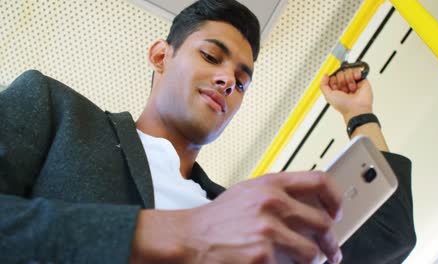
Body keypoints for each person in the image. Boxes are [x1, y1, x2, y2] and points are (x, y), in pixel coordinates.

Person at [0, 0, 416, 263]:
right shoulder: (55, 109)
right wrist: (183, 232)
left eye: (242, 80)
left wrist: (359, 115)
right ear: (161, 55)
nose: (228, 81)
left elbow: (389, 239)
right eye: (212, 56)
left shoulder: (243, 215)